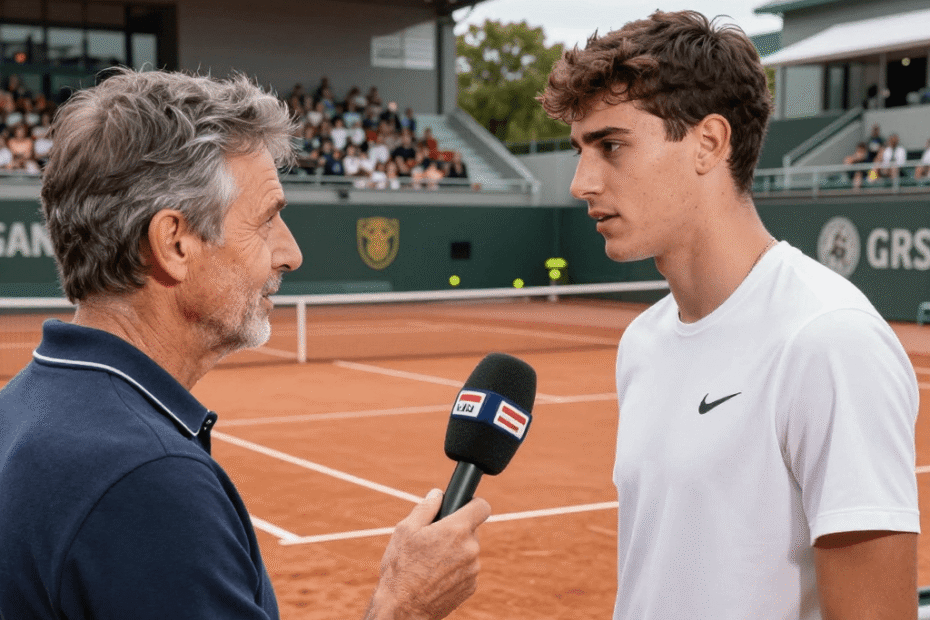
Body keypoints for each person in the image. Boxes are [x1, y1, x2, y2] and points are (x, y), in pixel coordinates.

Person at [0, 68, 490, 620]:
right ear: (175, 243)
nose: (291, 253)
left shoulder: (20, 407)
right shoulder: (147, 482)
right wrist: (406, 607)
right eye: (268, 220)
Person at [539, 10, 918, 620]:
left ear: (709, 142)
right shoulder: (643, 342)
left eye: (611, 145)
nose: (582, 182)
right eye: (581, 149)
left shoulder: (828, 340)